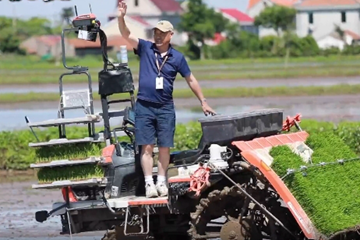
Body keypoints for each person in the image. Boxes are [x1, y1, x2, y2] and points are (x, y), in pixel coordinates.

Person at [117, 0, 216, 198]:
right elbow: (126, 34)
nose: (158, 36)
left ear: (170, 35)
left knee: (164, 146)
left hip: (165, 107)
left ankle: (161, 181)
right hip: (144, 105)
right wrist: (121, 16)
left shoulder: (177, 58)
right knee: (146, 146)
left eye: (162, 33)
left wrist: (203, 101)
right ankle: (148, 184)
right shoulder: (145, 48)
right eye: (156, 33)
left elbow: (190, 79)